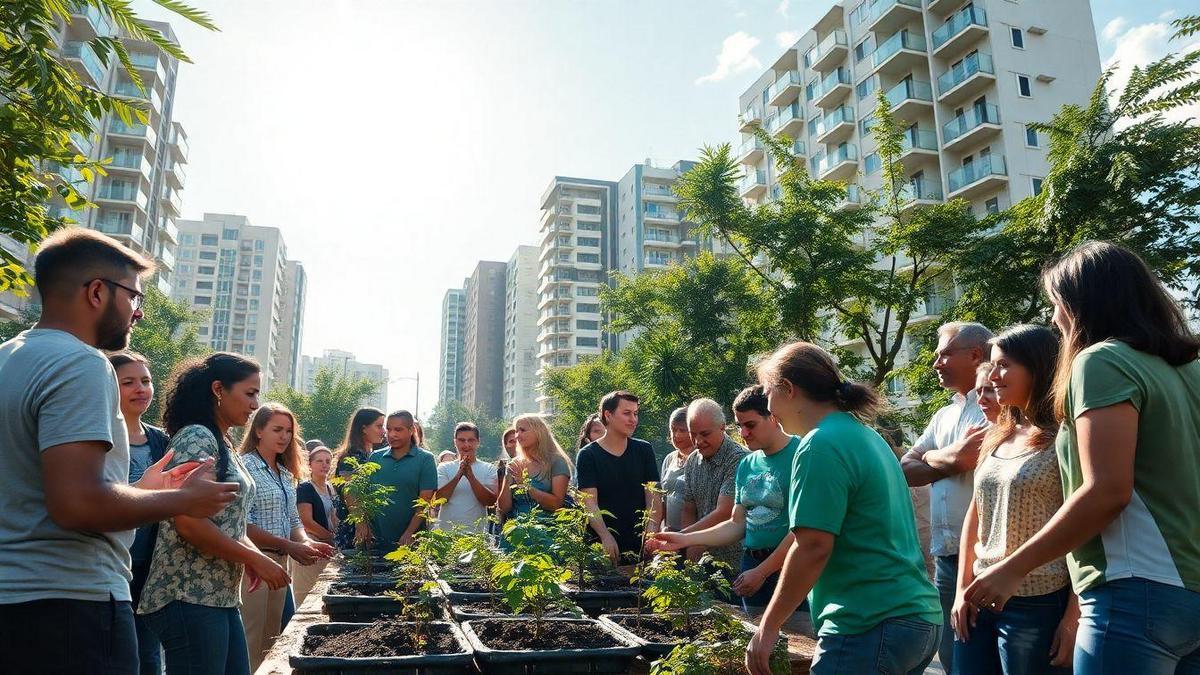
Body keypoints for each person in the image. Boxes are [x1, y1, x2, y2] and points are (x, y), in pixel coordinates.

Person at [0, 229, 238, 675]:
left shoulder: (7, 357)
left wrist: (140, 492)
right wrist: (184, 500)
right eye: (133, 296)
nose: (139, 312)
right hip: (70, 608)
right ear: (96, 292)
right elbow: (78, 504)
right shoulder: (81, 363)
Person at [964, 242, 1200, 674]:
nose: (1054, 319)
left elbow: (1107, 490)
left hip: (1135, 592)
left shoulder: (1101, 361)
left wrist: (1012, 569)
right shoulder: (1189, 368)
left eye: (1056, 305)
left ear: (1079, 306)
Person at [745, 341, 941, 675]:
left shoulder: (819, 444)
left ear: (788, 389)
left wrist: (768, 627)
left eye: (767, 393)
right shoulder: (867, 436)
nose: (768, 406)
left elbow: (813, 546)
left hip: (868, 623)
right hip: (917, 620)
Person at [138, 353, 290, 675]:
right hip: (187, 594)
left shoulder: (223, 441)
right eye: (250, 393)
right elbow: (189, 522)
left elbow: (229, 524)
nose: (255, 404)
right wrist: (255, 558)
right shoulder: (197, 437)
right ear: (219, 389)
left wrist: (248, 555)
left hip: (218, 596)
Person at [952, 325, 1076, 673]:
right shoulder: (997, 435)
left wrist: (1072, 617)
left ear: (1038, 367)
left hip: (1038, 603)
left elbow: (1089, 529)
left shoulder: (1065, 436)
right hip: (978, 601)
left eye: (1003, 364)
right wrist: (963, 589)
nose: (992, 375)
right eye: (992, 364)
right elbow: (975, 516)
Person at [650, 386, 801, 610]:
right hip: (750, 567)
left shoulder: (801, 454)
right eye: (740, 426)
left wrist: (763, 571)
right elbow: (736, 523)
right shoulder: (749, 464)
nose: (744, 433)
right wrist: (683, 540)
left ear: (773, 417)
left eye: (750, 425)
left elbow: (803, 530)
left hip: (790, 567)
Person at [900, 321, 993, 673]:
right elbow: (906, 470)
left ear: (976, 354)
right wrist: (950, 457)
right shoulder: (944, 415)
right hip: (946, 560)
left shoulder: (995, 407)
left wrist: (937, 458)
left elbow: (967, 458)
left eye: (944, 354)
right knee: (957, 659)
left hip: (986, 558)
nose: (936, 363)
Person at [239, 404, 335, 670]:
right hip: (254, 564)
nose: (284, 436)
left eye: (289, 431)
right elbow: (243, 525)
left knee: (272, 640)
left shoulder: (284, 472)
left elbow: (293, 521)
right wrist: (291, 545)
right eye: (277, 429)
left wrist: (305, 542)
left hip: (280, 565)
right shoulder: (245, 467)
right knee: (251, 638)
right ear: (258, 430)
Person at [110, 351, 171, 675]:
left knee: (149, 657)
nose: (140, 389)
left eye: (145, 381)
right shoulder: (98, 434)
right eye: (128, 382)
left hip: (152, 566)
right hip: (111, 564)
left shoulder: (162, 440)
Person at [577, 391, 662, 563]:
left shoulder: (644, 450)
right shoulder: (588, 455)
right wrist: (605, 536)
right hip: (601, 543)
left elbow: (653, 497)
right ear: (608, 415)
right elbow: (589, 502)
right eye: (626, 413)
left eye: (635, 414)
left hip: (639, 541)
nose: (633, 419)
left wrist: (651, 532)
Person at [678, 398, 748, 571]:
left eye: (705, 434)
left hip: (734, 562)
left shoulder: (739, 459)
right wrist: (689, 550)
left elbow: (725, 512)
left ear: (722, 427)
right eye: (693, 434)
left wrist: (682, 538)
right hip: (701, 560)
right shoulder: (693, 460)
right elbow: (689, 508)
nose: (698, 441)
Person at [364, 410, 437, 550]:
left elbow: (425, 501)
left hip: (411, 542)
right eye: (389, 429)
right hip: (376, 541)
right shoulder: (375, 458)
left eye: (398, 430)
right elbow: (365, 497)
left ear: (411, 430)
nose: (392, 434)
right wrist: (363, 525)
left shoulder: (425, 459)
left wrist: (409, 533)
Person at [497, 414, 573, 520]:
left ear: (538, 432)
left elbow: (556, 504)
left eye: (522, 430)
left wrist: (526, 486)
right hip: (516, 532)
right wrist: (508, 481)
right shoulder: (514, 465)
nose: (517, 435)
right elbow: (503, 508)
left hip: (549, 531)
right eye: (516, 431)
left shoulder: (557, 462)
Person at [332, 407, 386, 549]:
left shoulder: (374, 455)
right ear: (364, 428)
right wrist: (361, 523)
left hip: (374, 527)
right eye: (379, 426)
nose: (383, 431)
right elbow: (350, 491)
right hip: (355, 529)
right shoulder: (352, 456)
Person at [434, 422, 499, 532]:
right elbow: (439, 499)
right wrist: (459, 475)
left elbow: (490, 502)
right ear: (455, 442)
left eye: (471, 440)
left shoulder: (489, 468)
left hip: (477, 536)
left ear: (478, 442)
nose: (466, 444)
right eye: (461, 440)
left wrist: (471, 477)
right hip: (447, 534)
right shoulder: (443, 468)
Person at [294, 446, 338, 604]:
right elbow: (306, 521)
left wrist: (338, 536)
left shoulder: (330, 488)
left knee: (322, 592)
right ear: (310, 464)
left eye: (327, 461)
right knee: (307, 593)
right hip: (311, 544)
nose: (324, 465)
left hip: (327, 546)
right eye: (319, 461)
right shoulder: (305, 488)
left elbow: (333, 516)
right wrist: (331, 537)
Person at [659, 406, 694, 532]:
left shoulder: (701, 460)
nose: (677, 435)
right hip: (670, 532)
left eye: (683, 430)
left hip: (693, 534)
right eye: (673, 429)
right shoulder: (669, 459)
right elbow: (663, 498)